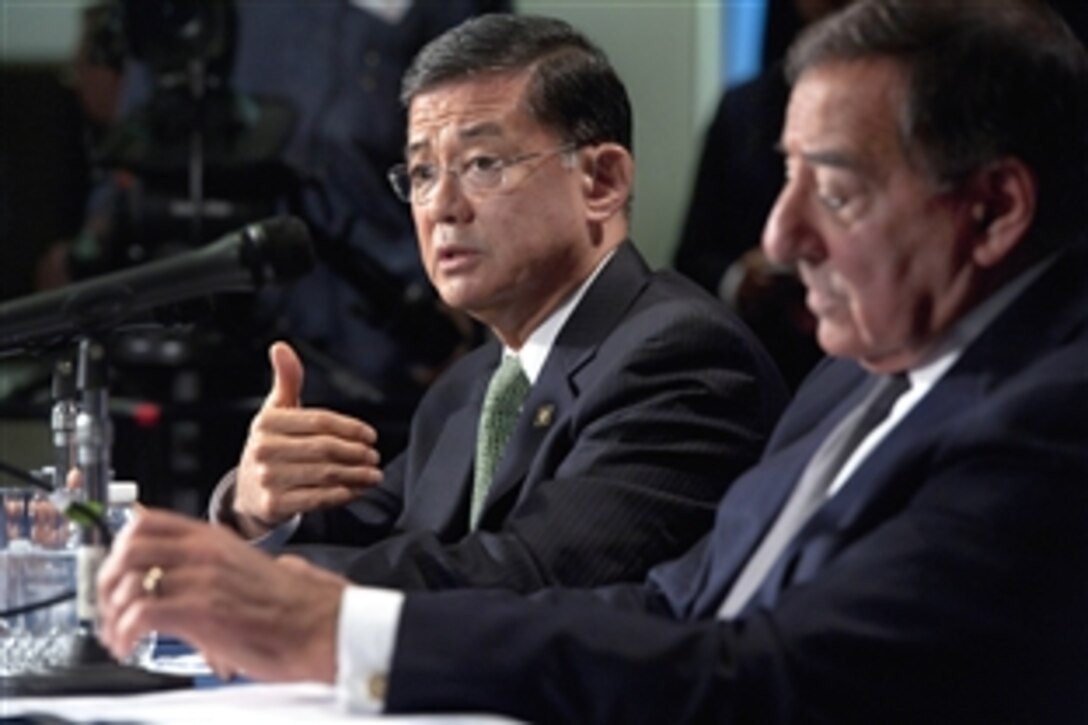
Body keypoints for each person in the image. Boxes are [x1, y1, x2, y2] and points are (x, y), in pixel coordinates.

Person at [99, 1, 1088, 720]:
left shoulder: (1033, 418)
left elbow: (734, 656)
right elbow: (668, 600)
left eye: (830, 190)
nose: (778, 239)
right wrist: (250, 519)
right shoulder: (850, 380)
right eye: (422, 171)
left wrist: (327, 617)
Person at [200, 13, 787, 594]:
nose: (441, 207)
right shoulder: (474, 382)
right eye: (424, 172)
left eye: (482, 164)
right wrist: (254, 510)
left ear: (601, 182)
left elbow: (524, 578)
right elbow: (375, 532)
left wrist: (236, 580)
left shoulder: (680, 357)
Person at [673, 0, 854, 390]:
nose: (782, 237)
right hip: (759, 359)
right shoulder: (745, 108)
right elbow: (693, 253)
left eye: (840, 191)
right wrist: (741, 279)